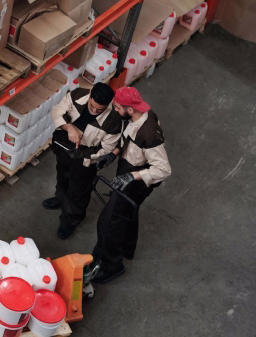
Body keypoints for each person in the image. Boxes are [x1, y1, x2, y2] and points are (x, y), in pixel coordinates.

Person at [91, 87, 171, 283]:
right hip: (128, 169)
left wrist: (132, 176)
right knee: (127, 213)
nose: (115, 110)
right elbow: (129, 140)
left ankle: (111, 265)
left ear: (130, 109)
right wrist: (113, 154)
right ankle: (127, 248)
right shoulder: (138, 117)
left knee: (108, 223)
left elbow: (163, 170)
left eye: (118, 108)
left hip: (137, 181)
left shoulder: (149, 134)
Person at [43, 82, 123, 239]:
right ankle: (60, 198)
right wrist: (70, 128)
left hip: (86, 159)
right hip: (65, 147)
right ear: (90, 94)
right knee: (62, 176)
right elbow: (56, 111)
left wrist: (82, 154)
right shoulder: (78, 95)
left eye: (100, 110)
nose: (94, 111)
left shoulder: (113, 120)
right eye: (92, 106)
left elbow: (106, 149)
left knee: (78, 191)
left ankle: (70, 219)